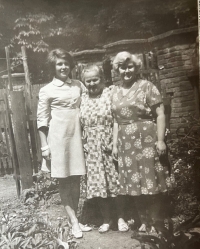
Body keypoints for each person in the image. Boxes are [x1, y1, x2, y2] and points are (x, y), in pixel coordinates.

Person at [112, 51, 175, 233]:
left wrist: (161, 140)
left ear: (136, 67)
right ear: (117, 69)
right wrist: (115, 144)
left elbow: (160, 113)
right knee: (134, 183)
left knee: (151, 181)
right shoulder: (115, 91)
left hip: (146, 140)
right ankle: (144, 220)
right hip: (126, 143)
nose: (126, 71)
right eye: (122, 67)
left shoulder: (147, 86)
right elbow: (116, 120)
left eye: (130, 66)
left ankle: (156, 221)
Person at [37, 48, 88, 239]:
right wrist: (44, 147)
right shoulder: (47, 90)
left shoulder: (78, 85)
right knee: (64, 180)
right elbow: (41, 120)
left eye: (66, 63)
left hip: (77, 137)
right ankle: (74, 222)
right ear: (53, 66)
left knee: (76, 179)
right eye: (59, 63)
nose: (63, 67)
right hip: (58, 140)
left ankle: (75, 218)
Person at [80, 65, 121, 233]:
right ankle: (106, 219)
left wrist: (115, 143)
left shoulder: (110, 94)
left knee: (115, 183)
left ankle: (121, 217)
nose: (91, 84)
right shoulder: (82, 98)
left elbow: (118, 119)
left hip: (109, 145)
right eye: (88, 81)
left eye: (95, 79)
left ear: (102, 79)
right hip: (91, 148)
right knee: (98, 185)